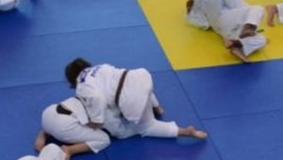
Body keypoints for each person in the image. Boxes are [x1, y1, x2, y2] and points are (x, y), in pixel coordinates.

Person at [66, 58, 209, 141]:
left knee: (147, 127)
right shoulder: (100, 67)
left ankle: (185, 132)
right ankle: (157, 107)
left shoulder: (82, 86)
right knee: (141, 90)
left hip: (131, 97)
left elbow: (98, 99)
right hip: (140, 76)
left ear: (72, 79)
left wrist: (96, 121)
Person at [186, 0, 270, 61]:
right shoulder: (242, 12)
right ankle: (240, 43)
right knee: (262, 38)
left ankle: (239, 42)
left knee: (258, 10)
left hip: (220, 19)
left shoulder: (243, 12)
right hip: (220, 21)